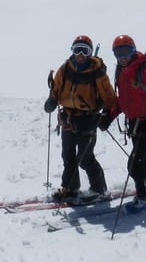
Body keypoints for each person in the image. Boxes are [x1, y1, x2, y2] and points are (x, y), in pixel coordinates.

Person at [99, 34, 146, 212]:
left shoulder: (145, 71)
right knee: (145, 159)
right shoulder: (123, 71)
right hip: (134, 124)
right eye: (118, 53)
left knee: (134, 164)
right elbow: (124, 100)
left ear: (133, 50)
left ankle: (144, 198)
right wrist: (109, 116)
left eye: (126, 52)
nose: (122, 57)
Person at [44, 35, 117, 203]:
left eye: (85, 50)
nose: (80, 54)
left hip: (88, 119)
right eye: (77, 49)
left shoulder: (97, 73)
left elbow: (109, 97)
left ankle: (100, 190)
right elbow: (56, 88)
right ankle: (70, 188)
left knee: (85, 157)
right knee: (68, 155)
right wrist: (52, 101)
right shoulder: (65, 69)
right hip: (68, 118)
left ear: (90, 53)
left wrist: (106, 115)